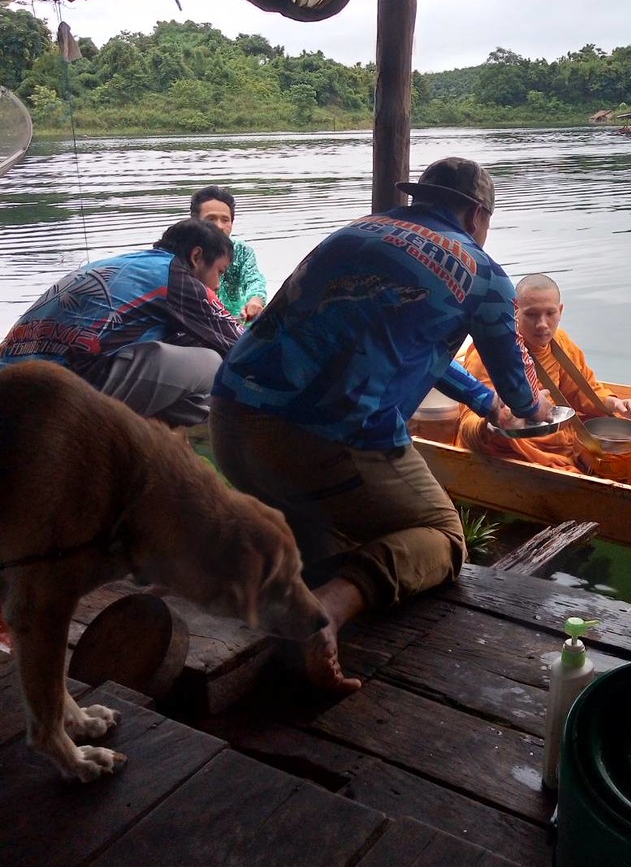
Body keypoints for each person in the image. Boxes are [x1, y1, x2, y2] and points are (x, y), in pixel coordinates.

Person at [209, 157, 553, 694]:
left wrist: (481, 400)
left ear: (420, 199)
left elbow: (419, 344)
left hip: (228, 423)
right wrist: (535, 409)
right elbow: (523, 396)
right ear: (478, 212)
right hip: (318, 447)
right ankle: (326, 614)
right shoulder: (484, 275)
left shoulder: (355, 232)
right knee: (442, 536)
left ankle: (290, 600)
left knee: (322, 536)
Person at [0, 218, 241, 425]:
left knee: (186, 348)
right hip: (55, 395)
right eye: (219, 271)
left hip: (12, 384)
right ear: (196, 256)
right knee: (212, 364)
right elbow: (239, 345)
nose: (218, 285)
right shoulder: (174, 275)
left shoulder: (118, 264)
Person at [458, 273, 631, 475]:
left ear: (560, 311)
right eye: (532, 314)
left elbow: (581, 391)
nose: (542, 324)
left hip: (558, 433)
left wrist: (613, 403)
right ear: (515, 312)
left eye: (550, 313)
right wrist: (498, 420)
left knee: (620, 427)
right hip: (515, 447)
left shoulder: (560, 342)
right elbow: (469, 425)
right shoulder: (490, 353)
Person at [190, 185, 267, 321]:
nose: (219, 226)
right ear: (195, 221)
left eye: (225, 220)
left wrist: (255, 302)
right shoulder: (185, 251)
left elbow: (254, 281)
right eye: (211, 219)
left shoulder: (241, 251)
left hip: (237, 319)